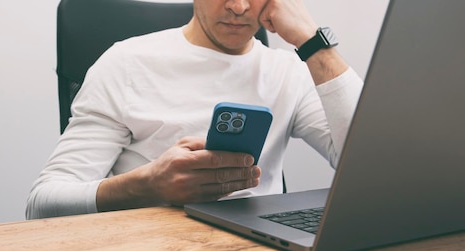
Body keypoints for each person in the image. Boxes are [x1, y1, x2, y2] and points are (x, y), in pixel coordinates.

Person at [26, 0, 363, 219]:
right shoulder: (126, 63)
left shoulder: (288, 69)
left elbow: (369, 161)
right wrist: (148, 185)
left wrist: (312, 43)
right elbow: (42, 204)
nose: (239, 7)